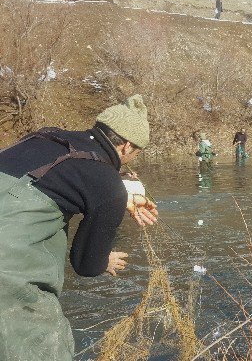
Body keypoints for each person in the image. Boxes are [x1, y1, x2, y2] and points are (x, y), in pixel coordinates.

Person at [0, 94, 158, 360]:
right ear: (127, 147)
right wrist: (103, 260)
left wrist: (122, 191)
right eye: (137, 154)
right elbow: (86, 266)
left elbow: (64, 174)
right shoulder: (109, 187)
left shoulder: (46, 137)